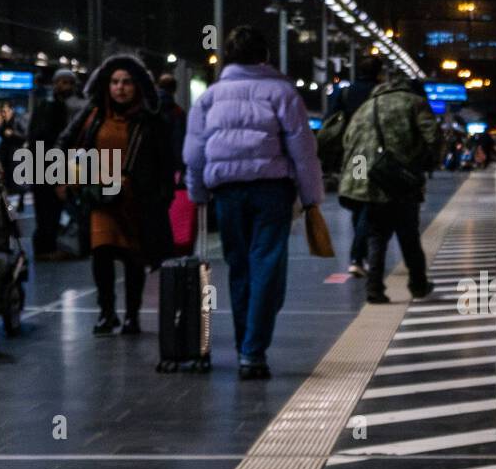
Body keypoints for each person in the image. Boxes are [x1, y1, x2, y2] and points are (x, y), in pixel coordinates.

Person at [184, 25, 325, 381]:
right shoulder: (283, 94)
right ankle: (253, 350)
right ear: (265, 57)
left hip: (227, 192)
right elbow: (303, 151)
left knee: (239, 267)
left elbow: (195, 152)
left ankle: (244, 346)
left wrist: (196, 192)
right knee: (267, 266)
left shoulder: (210, 97)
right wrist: (311, 198)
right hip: (271, 190)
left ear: (228, 58)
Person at [58, 55, 174, 336]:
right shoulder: (93, 114)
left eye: (126, 82)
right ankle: (106, 312)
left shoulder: (151, 119)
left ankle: (132, 315)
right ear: (106, 85)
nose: (120, 88)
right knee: (101, 253)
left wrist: (162, 197)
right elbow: (64, 143)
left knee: (134, 259)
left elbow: (165, 161)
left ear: (137, 86)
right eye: (114, 82)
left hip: (136, 199)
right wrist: (70, 175)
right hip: (100, 198)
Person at [338, 71, 441, 305]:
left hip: (370, 182)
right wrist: (425, 163)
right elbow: (433, 136)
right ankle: (418, 285)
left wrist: (359, 180)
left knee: (377, 237)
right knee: (409, 236)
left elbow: (350, 143)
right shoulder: (414, 102)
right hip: (401, 180)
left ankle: (374, 287)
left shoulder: (366, 107)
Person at [324, 56, 384, 277]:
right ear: (379, 73)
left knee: (359, 202)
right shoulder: (380, 93)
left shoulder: (346, 92)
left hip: (352, 156)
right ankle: (358, 256)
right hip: (375, 156)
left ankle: (360, 254)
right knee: (368, 204)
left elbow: (330, 118)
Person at [26, 69, 84, 260]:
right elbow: (50, 142)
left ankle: (46, 247)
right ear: (55, 83)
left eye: (69, 82)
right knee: (49, 210)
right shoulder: (54, 107)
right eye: (63, 82)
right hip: (48, 167)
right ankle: (46, 250)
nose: (66, 86)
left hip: (41, 166)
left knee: (47, 211)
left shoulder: (45, 104)